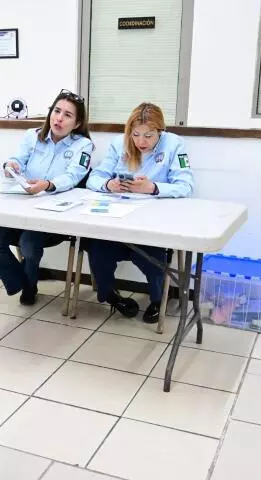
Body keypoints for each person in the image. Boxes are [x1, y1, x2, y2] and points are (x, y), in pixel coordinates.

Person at [85, 102, 194, 323]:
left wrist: (153, 188)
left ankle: (157, 301)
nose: (141, 142)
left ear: (160, 132)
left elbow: (186, 186)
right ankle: (110, 295)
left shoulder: (174, 144)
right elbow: (94, 178)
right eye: (136, 135)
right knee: (97, 249)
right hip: (118, 220)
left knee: (153, 258)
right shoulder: (120, 144)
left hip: (151, 223)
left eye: (149, 136)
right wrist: (109, 185)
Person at [0, 90, 93, 305]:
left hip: (53, 212)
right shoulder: (31, 136)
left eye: (67, 115)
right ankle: (25, 283)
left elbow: (73, 176)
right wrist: (10, 166)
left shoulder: (83, 145)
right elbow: (17, 160)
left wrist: (49, 185)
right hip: (23, 204)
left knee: (28, 244)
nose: (59, 118)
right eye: (56, 111)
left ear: (77, 122)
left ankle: (29, 286)